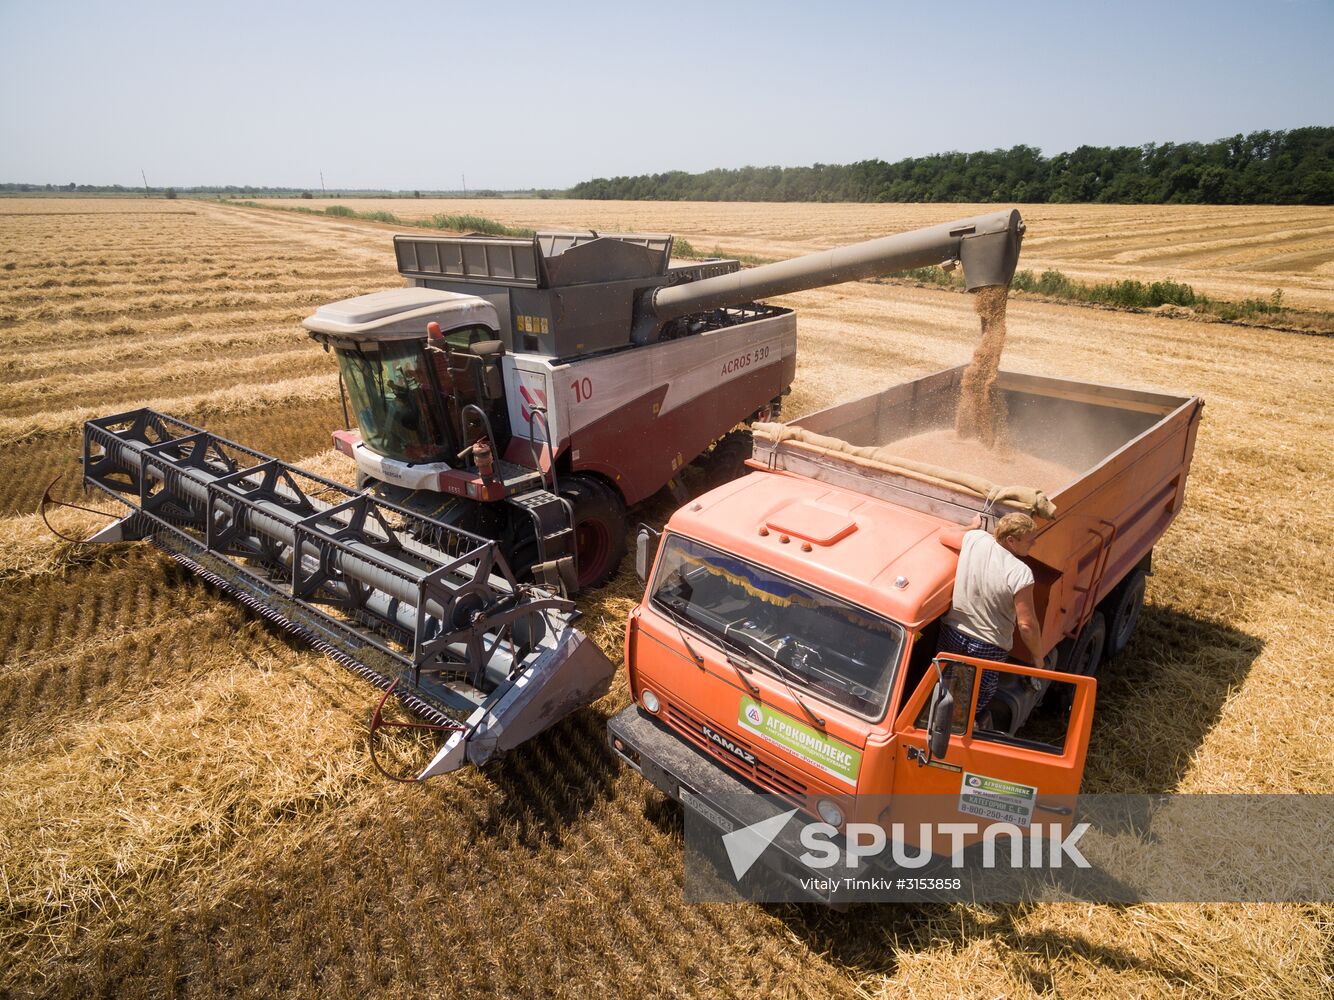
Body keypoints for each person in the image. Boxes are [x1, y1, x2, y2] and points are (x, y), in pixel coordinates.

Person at [937, 512, 1044, 716]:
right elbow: (1026, 625)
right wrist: (1038, 659)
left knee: (944, 684)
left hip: (953, 632)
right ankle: (959, 734)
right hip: (987, 646)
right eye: (1030, 540)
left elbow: (944, 534)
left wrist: (971, 526)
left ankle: (937, 722)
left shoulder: (976, 539)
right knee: (974, 700)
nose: (1035, 543)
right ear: (1011, 541)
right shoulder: (1020, 572)